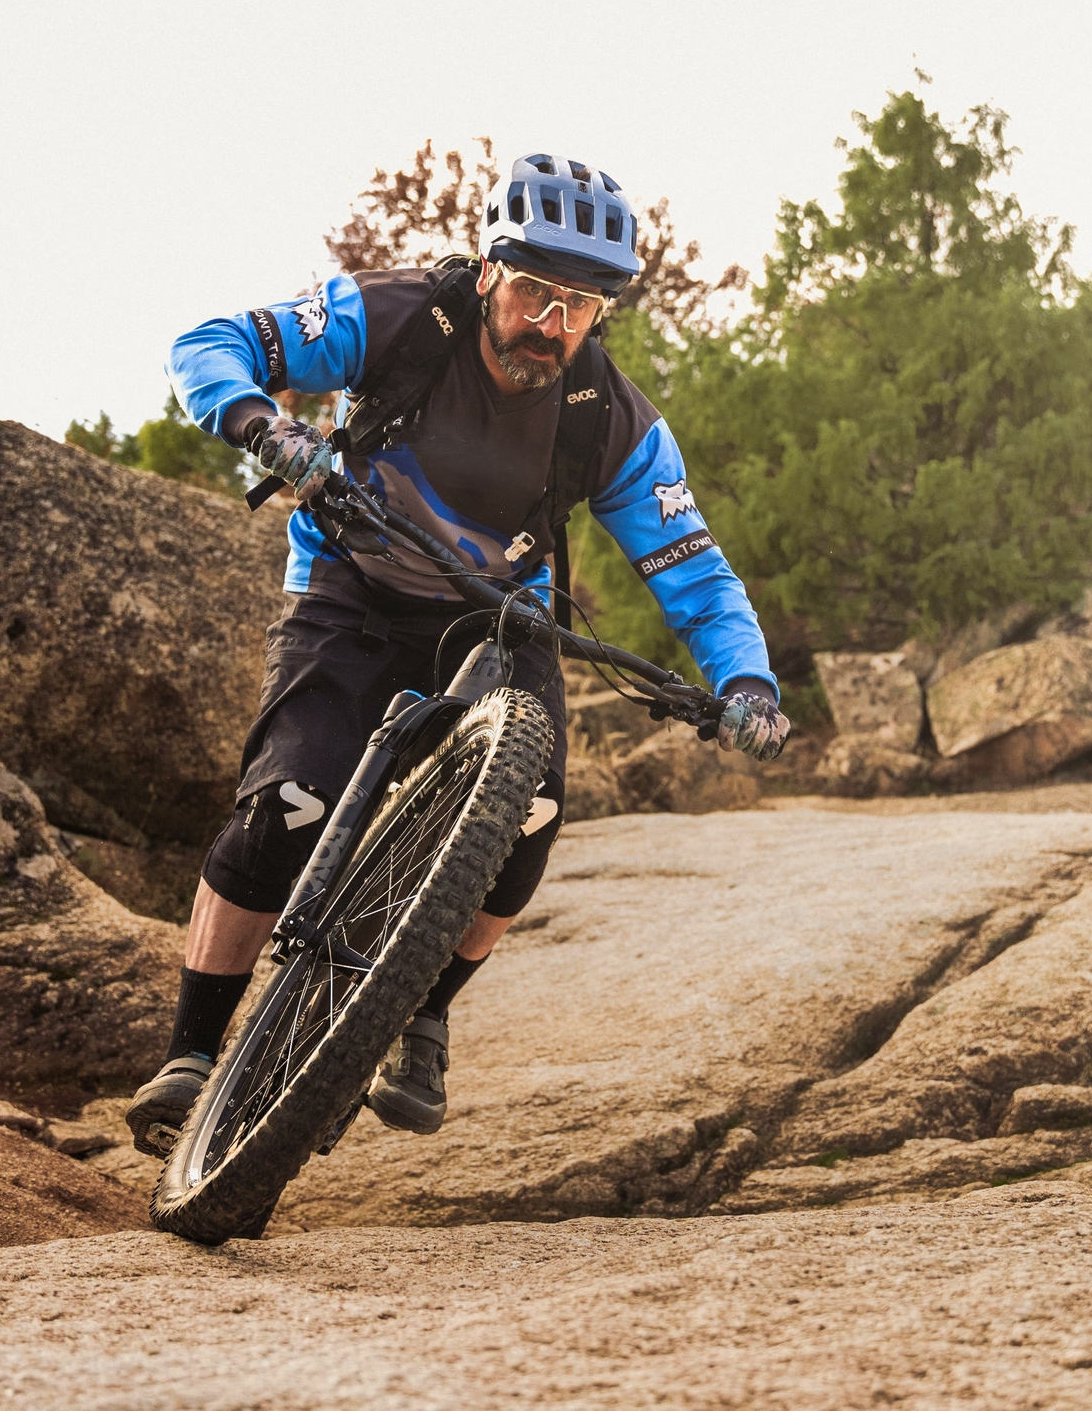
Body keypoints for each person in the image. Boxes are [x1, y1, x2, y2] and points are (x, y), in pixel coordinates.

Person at [127, 151, 788, 1148]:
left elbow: (691, 567)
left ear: (603, 312)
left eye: (578, 305)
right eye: (532, 291)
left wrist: (746, 681)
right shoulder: (397, 320)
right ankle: (191, 1049)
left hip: (493, 616)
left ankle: (422, 1015)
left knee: (530, 813)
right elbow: (207, 344)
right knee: (288, 804)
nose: (550, 323)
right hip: (351, 585)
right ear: (487, 273)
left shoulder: (607, 417)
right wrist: (263, 424)